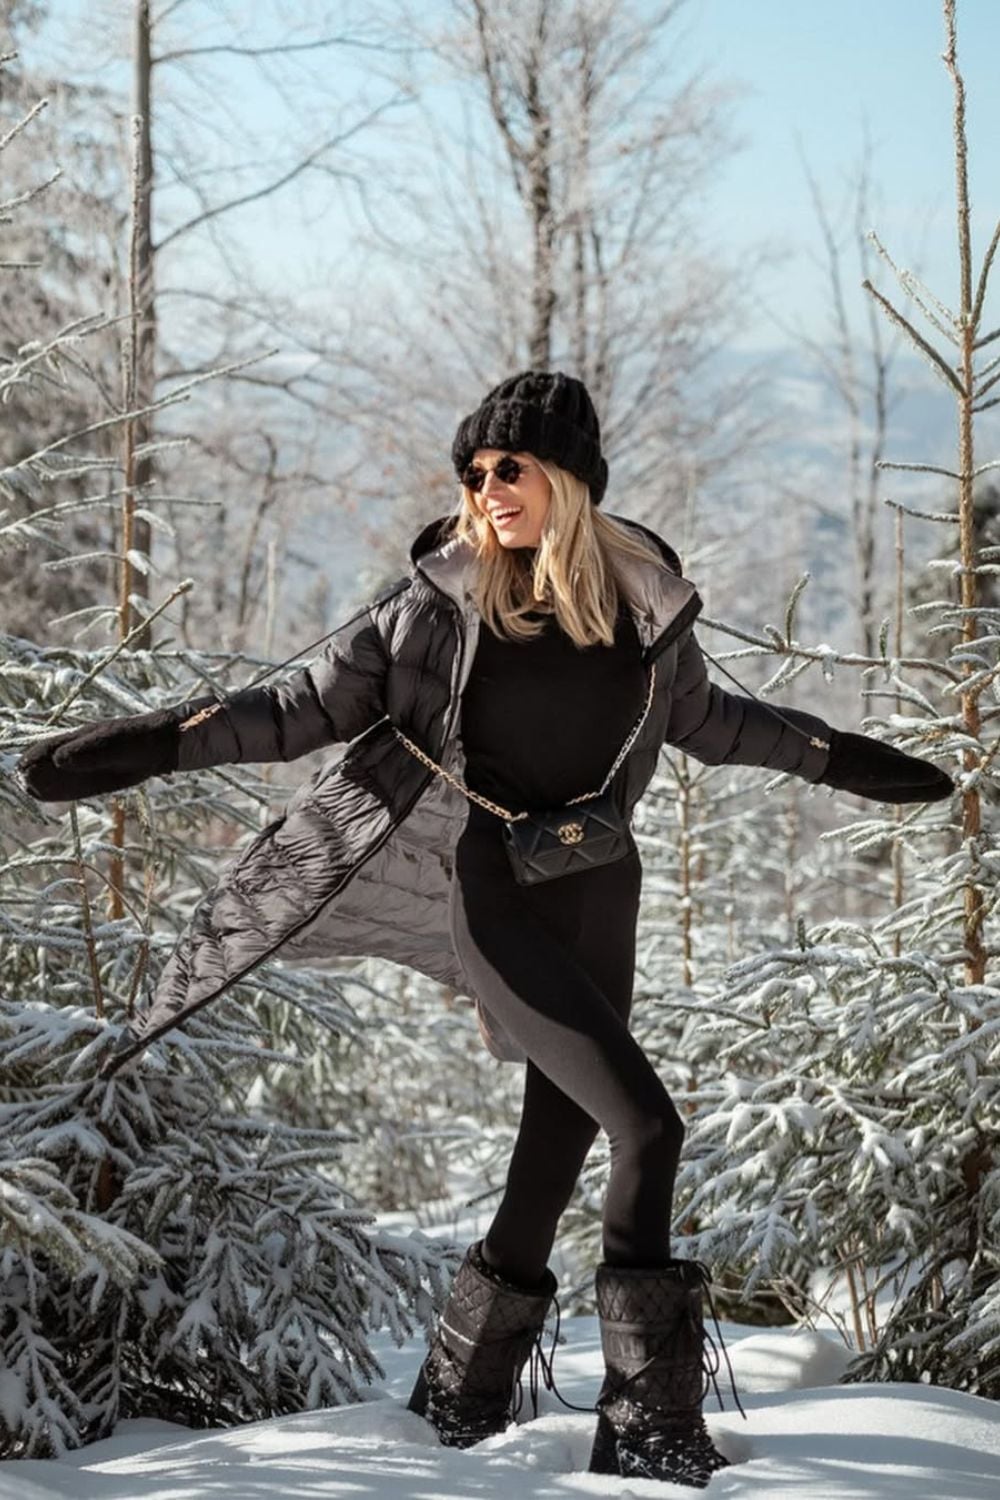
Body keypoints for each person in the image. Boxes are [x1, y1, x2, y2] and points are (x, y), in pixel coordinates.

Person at [18, 370, 954, 1487]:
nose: (487, 489)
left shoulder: (643, 604)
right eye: (473, 473)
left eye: (509, 467)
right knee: (648, 1128)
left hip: (601, 890)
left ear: (568, 477)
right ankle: (646, 1420)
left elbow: (713, 722)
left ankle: (458, 1399)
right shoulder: (438, 604)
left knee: (555, 1151)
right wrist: (149, 746)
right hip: (497, 895)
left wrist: (844, 760)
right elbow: (297, 708)